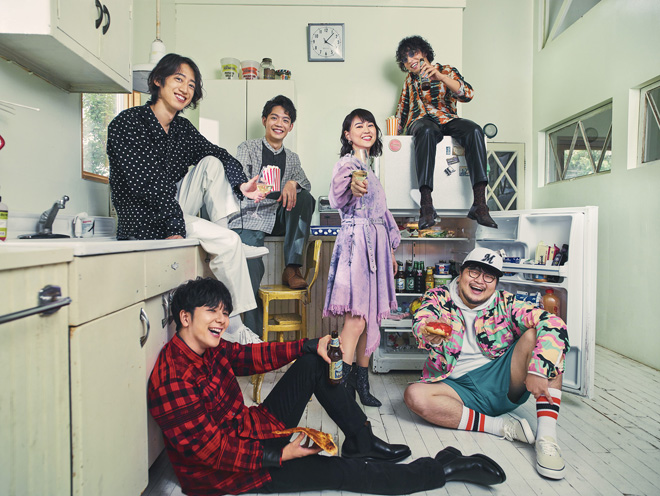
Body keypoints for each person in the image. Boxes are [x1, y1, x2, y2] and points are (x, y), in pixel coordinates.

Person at [148, 277, 507, 495]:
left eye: (224, 313)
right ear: (185, 317)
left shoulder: (208, 348)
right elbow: (211, 452)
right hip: (231, 471)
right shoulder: (173, 379)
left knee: (314, 361)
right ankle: (442, 469)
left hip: (251, 430)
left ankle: (361, 440)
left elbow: (248, 357)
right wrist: (280, 455)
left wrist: (310, 345)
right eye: (212, 312)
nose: (222, 321)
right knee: (341, 473)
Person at [107, 53, 267, 315]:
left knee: (212, 162)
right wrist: (175, 227)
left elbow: (221, 154)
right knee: (228, 242)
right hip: (144, 219)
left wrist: (241, 185)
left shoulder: (182, 129)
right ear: (158, 80)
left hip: (171, 209)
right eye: (179, 79)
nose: (185, 89)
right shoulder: (128, 123)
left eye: (191, 85)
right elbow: (148, 186)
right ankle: (236, 327)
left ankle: (226, 239)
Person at [404, 247, 569, 480]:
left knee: (543, 340)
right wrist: (426, 330)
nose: (480, 281)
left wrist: (539, 370)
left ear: (496, 282)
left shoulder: (506, 303)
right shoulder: (439, 296)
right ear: (461, 273)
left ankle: (547, 438)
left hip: (503, 379)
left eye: (489, 276)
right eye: (474, 272)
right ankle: (501, 426)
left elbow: (553, 323)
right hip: (456, 388)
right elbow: (422, 318)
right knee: (414, 395)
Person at [322, 109, 399, 408]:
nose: (366, 129)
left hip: (376, 248)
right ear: (348, 134)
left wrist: (390, 252)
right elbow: (338, 194)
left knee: (370, 319)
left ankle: (361, 383)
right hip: (357, 246)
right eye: (358, 126)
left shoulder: (371, 168)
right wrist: (353, 186)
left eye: (370, 125)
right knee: (355, 320)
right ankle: (340, 388)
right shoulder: (347, 164)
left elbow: (383, 214)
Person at [229, 95, 315, 337]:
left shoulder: (293, 158)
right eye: (274, 118)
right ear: (264, 120)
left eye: (285, 120)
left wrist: (292, 183)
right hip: (251, 217)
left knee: (305, 197)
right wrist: (267, 187)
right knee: (251, 270)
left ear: (291, 126)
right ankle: (253, 335)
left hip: (277, 217)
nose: (279, 124)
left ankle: (292, 268)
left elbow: (305, 184)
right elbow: (239, 182)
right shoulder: (248, 148)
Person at [394, 35, 498, 230]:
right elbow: (402, 110)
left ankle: (480, 204)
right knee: (426, 130)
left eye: (413, 54)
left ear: (424, 52)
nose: (409, 60)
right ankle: (426, 205)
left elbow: (468, 94)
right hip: (421, 122)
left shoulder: (447, 70)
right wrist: (392, 144)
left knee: (475, 130)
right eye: (405, 59)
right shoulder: (410, 80)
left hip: (447, 119)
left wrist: (441, 77)